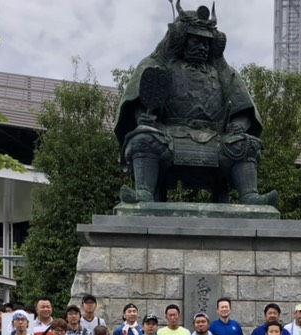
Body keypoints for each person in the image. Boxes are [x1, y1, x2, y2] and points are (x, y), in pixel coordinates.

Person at [114, 3, 276, 206]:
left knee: (247, 144)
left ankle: (249, 195)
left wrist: (240, 125)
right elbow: (138, 98)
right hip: (168, 136)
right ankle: (144, 193)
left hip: (217, 139)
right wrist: (142, 118)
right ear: (182, 39)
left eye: (206, 43)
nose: (202, 47)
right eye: (196, 41)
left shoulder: (224, 72)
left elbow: (244, 108)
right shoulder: (158, 65)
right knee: (142, 138)